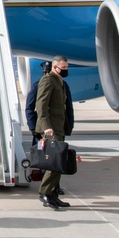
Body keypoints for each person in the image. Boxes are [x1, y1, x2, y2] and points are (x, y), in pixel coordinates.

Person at [35, 56, 71, 210]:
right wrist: (45, 127)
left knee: (59, 162)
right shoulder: (48, 80)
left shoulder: (59, 81)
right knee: (53, 162)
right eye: (63, 68)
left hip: (59, 127)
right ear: (55, 67)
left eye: (66, 68)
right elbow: (41, 105)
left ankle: (53, 194)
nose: (65, 71)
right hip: (51, 129)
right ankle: (45, 192)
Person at [24, 61, 51, 141]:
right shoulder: (37, 86)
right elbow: (29, 108)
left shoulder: (62, 85)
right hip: (40, 128)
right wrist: (33, 128)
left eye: (49, 72)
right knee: (40, 152)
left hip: (56, 127)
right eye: (46, 72)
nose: (48, 74)